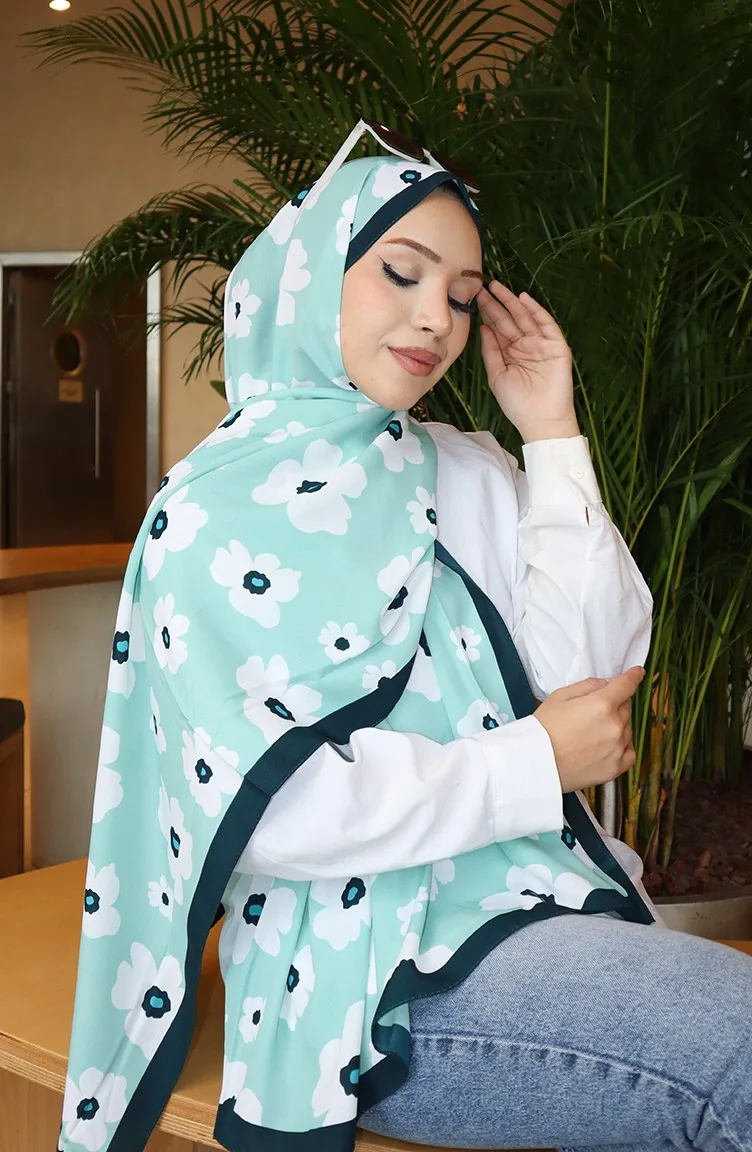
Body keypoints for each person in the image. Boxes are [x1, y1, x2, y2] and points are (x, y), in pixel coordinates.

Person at [60, 126, 752, 1152]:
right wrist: (532, 763)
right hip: (364, 972)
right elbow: (276, 816)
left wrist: (550, 433)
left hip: (549, 902)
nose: (436, 317)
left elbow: (593, 677)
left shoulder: (465, 468)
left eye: (463, 296)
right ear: (307, 277)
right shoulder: (207, 516)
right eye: (401, 272)